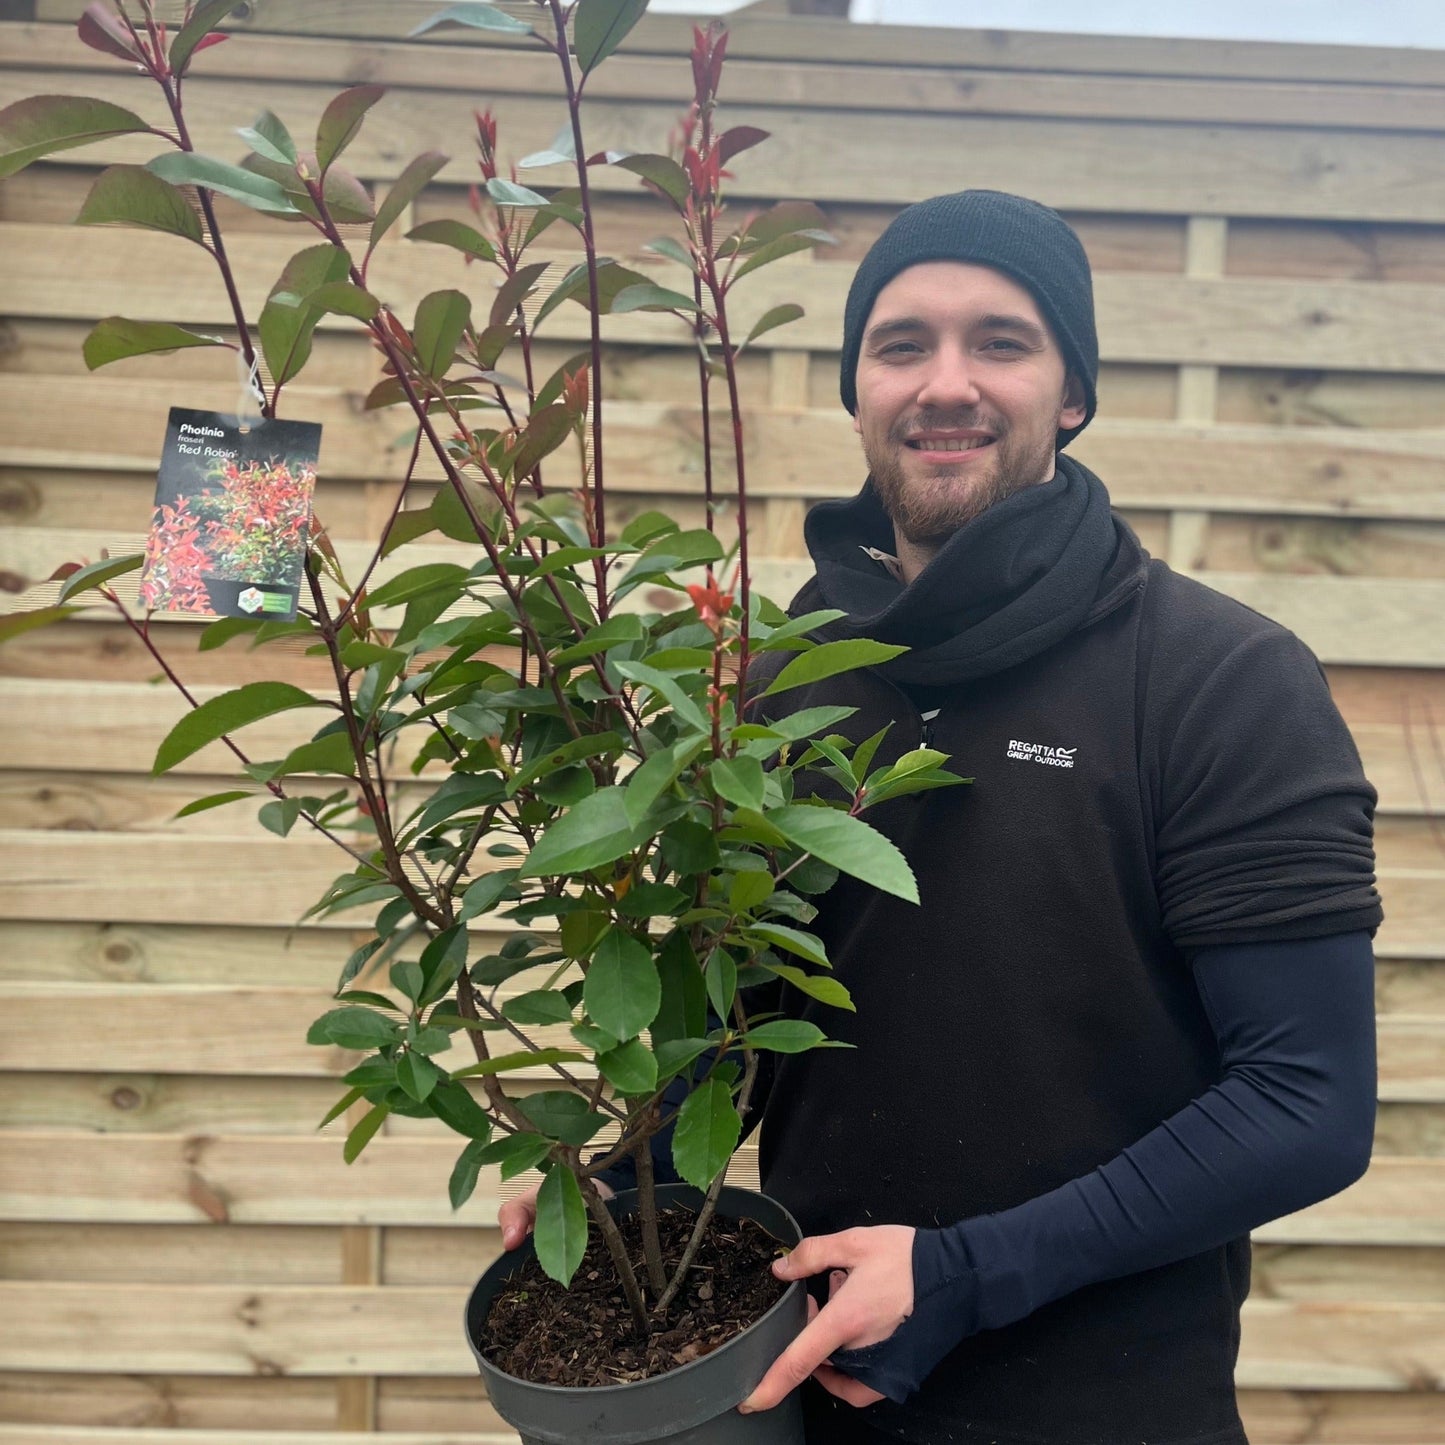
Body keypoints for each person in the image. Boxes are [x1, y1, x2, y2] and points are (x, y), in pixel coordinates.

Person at [500, 190, 1383, 1445]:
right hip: (805, 1391)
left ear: (1070, 392)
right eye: (901, 343)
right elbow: (748, 1020)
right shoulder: (780, 687)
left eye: (1001, 342)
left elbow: (1307, 1100)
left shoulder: (1218, 680)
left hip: (1110, 1411)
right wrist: (618, 1185)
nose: (946, 383)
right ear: (858, 388)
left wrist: (968, 1269)